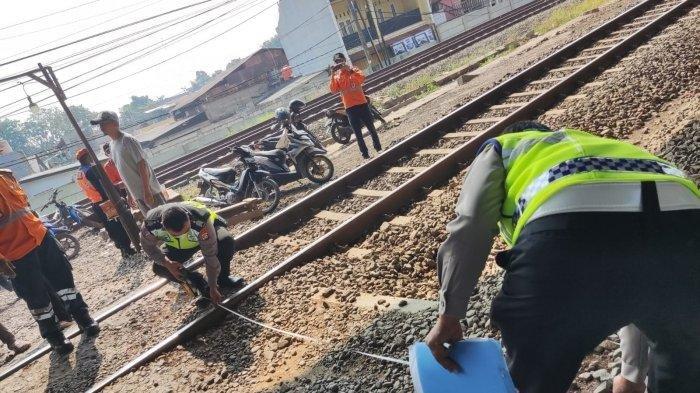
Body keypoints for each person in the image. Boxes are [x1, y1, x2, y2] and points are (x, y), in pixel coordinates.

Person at [424, 121, 700, 392]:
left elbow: (471, 225)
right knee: (684, 364)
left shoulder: (505, 146)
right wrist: (631, 377)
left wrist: (449, 313)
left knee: (533, 379)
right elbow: (641, 282)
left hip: (567, 236)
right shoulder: (605, 147)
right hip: (687, 228)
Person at [1, 169, 99, 354]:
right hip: (15, 252)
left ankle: (83, 318)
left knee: (64, 280)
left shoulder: (6, 176)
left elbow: (25, 208)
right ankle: (55, 337)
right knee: (36, 296)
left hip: (40, 237)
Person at [140, 201, 243, 307]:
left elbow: (210, 256)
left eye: (187, 230)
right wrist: (167, 262)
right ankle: (202, 287)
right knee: (159, 267)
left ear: (188, 217)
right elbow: (148, 247)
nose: (185, 234)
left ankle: (223, 278)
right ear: (163, 227)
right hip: (180, 246)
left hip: (210, 233)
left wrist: (213, 285)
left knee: (226, 241)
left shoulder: (201, 220)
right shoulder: (150, 225)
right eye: (177, 235)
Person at [91, 111, 166, 215]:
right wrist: (129, 193)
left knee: (166, 220)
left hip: (149, 192)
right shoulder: (112, 145)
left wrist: (147, 190)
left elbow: (142, 164)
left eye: (103, 123)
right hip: (138, 194)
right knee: (155, 226)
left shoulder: (127, 140)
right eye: (100, 124)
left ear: (114, 123)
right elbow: (123, 171)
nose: (101, 127)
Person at [75, 148, 136, 258]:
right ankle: (127, 249)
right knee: (117, 225)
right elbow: (103, 188)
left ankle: (122, 248)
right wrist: (117, 195)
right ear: (88, 156)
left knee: (110, 227)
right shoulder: (91, 170)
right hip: (105, 203)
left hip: (95, 204)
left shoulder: (79, 173)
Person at [329, 52, 382, 159]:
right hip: (350, 108)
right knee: (358, 133)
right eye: (337, 62)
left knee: (371, 128)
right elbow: (333, 90)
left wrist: (350, 70)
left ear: (345, 60)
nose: (339, 63)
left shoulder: (354, 69)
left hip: (362, 104)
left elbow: (362, 78)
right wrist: (332, 74)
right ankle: (365, 154)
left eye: (340, 60)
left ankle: (378, 148)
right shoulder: (336, 76)